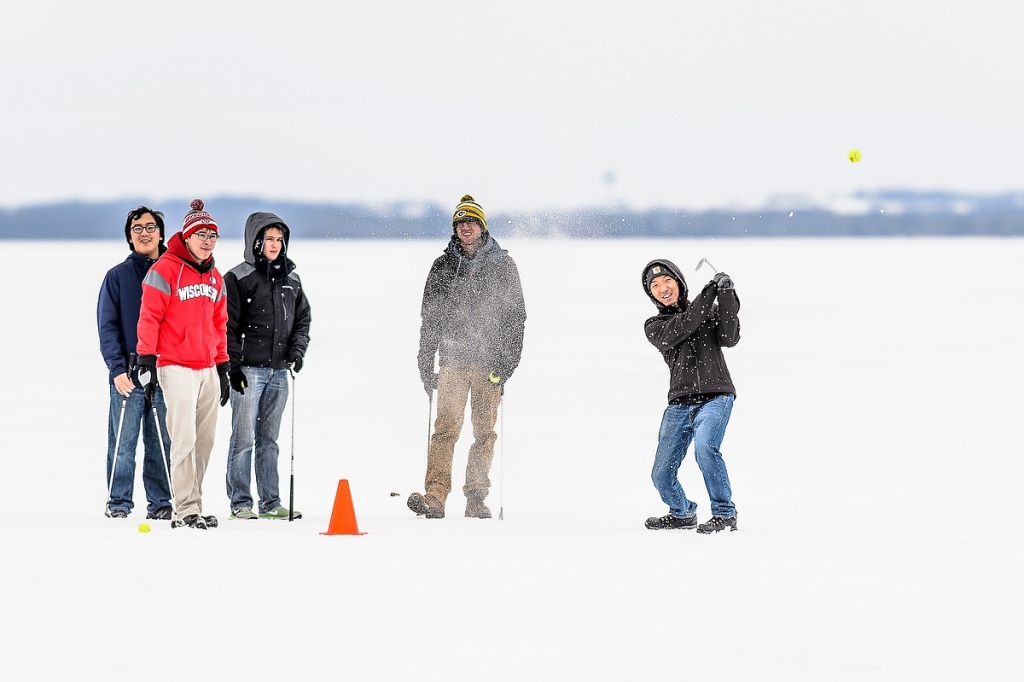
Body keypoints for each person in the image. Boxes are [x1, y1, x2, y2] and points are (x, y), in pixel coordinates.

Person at [408, 195, 526, 519]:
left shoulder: (503, 265)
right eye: (460, 223)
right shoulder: (443, 265)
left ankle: (476, 499)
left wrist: (506, 365)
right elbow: (429, 318)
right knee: (445, 428)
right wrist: (424, 361)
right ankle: (435, 496)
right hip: (453, 360)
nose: (466, 227)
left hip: (490, 363)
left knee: (483, 433)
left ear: (482, 227)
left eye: (471, 222)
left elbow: (517, 318)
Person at [137, 199, 230, 530]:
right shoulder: (163, 270)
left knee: (205, 441)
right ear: (187, 237)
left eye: (212, 235)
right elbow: (149, 317)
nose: (207, 241)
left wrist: (222, 365)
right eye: (201, 234)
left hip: (208, 368)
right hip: (175, 365)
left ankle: (195, 505)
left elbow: (219, 324)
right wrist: (146, 357)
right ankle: (185, 509)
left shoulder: (215, 277)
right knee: (184, 439)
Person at [641, 259, 741, 533]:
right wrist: (710, 292)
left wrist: (727, 294)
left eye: (667, 281)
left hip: (716, 396)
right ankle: (682, 512)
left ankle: (724, 513)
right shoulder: (656, 326)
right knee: (661, 474)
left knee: (706, 449)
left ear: (680, 283)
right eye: (655, 285)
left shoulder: (708, 312)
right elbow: (686, 323)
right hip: (679, 405)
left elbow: (730, 336)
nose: (662, 288)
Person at [224, 212, 311, 520]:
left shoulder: (292, 278)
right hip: (247, 372)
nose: (275, 245)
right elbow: (227, 327)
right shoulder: (238, 277)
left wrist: (297, 351)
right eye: (269, 239)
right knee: (244, 437)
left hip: (278, 372)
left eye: (279, 239)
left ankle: (271, 503)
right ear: (256, 241)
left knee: (269, 440)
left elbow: (302, 319)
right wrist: (232, 368)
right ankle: (241, 503)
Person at [97, 206, 173, 520]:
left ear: (160, 233)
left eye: (150, 227)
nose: (144, 233)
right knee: (122, 443)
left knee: (161, 442)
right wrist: (116, 369)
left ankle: (161, 503)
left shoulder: (174, 273)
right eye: (137, 228)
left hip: (167, 373)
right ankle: (118, 504)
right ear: (130, 237)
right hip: (128, 374)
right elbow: (108, 325)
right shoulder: (117, 276)